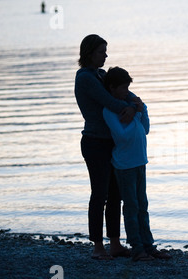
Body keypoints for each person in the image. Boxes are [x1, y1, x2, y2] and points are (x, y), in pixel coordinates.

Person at [74, 34, 136, 260]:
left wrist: (135, 104)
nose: (106, 55)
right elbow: (109, 101)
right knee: (99, 193)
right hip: (94, 142)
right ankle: (97, 247)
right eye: (101, 51)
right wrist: (130, 108)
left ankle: (115, 243)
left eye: (105, 51)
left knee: (115, 193)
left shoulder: (101, 74)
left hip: (111, 142)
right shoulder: (85, 78)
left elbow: (123, 92)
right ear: (89, 53)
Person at [102, 67, 171, 261]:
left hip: (140, 161)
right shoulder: (110, 111)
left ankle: (149, 246)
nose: (126, 91)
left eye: (127, 87)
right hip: (124, 165)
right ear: (112, 88)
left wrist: (142, 110)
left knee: (143, 205)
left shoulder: (130, 106)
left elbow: (145, 129)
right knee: (131, 206)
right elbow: (122, 136)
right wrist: (135, 114)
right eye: (123, 88)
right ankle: (137, 248)